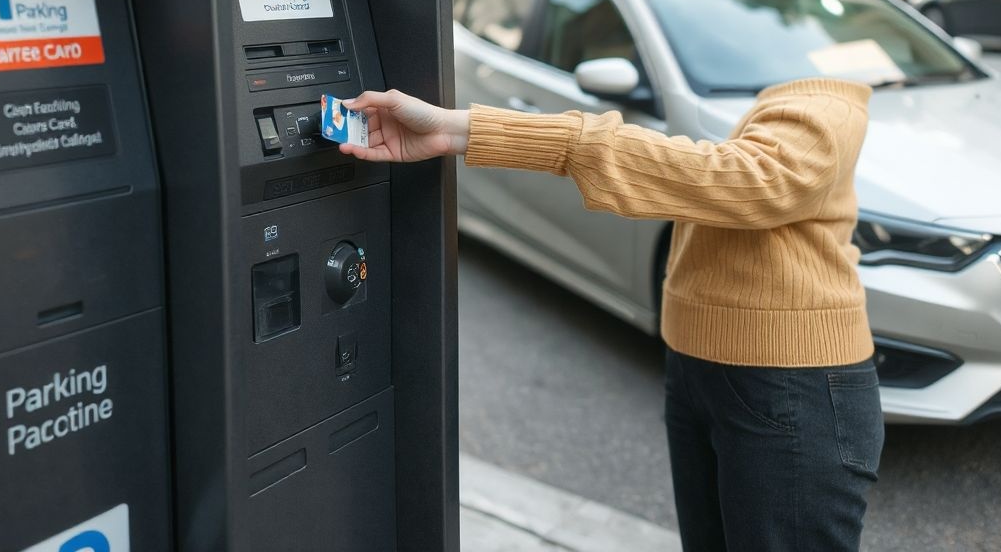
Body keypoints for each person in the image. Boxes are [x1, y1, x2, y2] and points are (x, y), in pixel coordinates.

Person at [337, 78, 883, 552]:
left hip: (791, 383)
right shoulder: (774, 100)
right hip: (712, 369)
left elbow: (755, 179)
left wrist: (481, 133)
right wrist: (456, 133)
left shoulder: (823, 102)